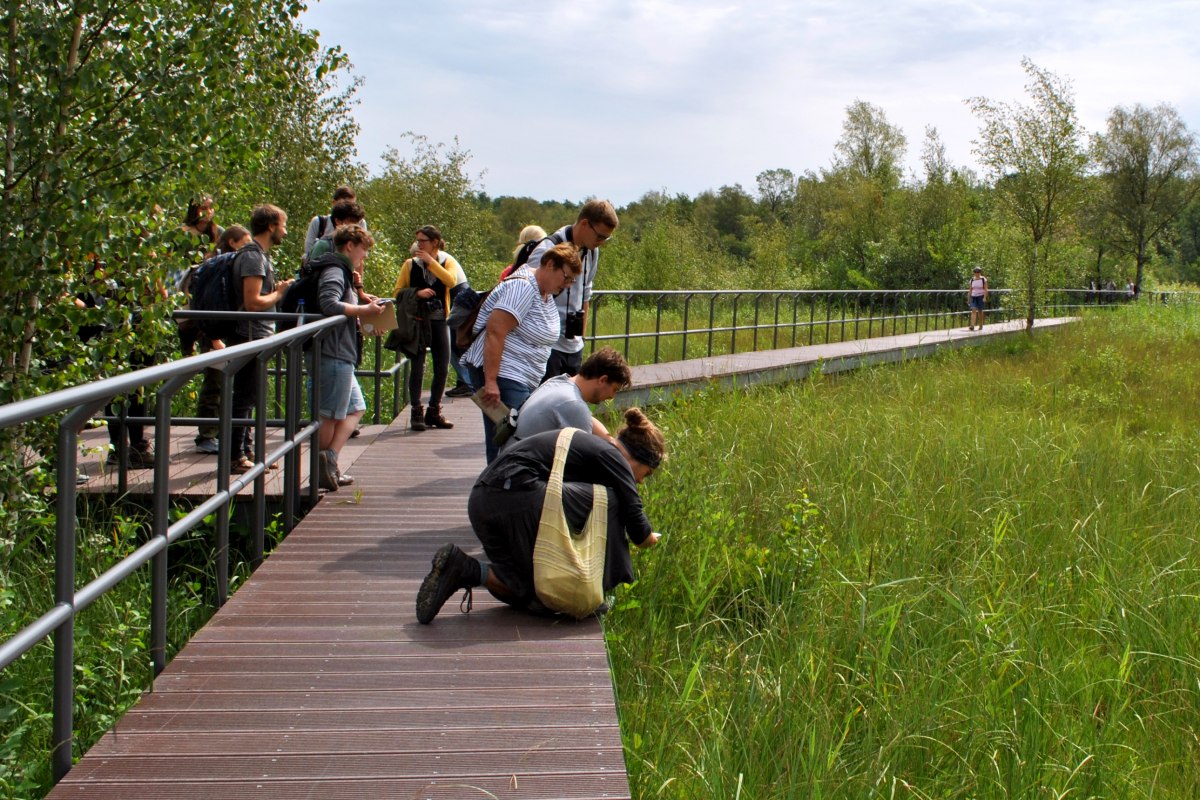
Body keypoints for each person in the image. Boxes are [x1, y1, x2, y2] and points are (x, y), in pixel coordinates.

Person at [416, 407, 665, 624]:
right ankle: (599, 590)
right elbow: (636, 520)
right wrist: (650, 538)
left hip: (484, 501)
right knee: (614, 500)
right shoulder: (612, 455)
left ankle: (462, 567)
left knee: (529, 589)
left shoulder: (594, 449)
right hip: (512, 494)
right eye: (647, 473)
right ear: (635, 457)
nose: (641, 481)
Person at [462, 242, 582, 463]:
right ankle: (497, 491)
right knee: (510, 440)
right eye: (565, 278)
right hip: (504, 376)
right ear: (549, 264)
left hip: (519, 376)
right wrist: (490, 382)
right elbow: (495, 331)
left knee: (513, 438)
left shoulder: (542, 290)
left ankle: (502, 489)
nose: (566, 285)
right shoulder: (524, 287)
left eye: (571, 281)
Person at [309, 225, 386, 491]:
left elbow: (344, 309)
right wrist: (364, 309)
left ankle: (329, 460)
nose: (364, 256)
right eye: (363, 250)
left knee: (356, 408)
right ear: (350, 245)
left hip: (341, 350)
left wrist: (365, 319)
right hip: (332, 351)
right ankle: (322, 468)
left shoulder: (343, 271)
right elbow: (329, 304)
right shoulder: (334, 270)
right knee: (329, 415)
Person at [228, 204, 294, 473]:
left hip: (256, 334)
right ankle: (237, 456)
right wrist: (279, 293)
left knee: (251, 396)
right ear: (271, 226)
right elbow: (252, 302)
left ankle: (247, 451)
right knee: (244, 397)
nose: (285, 231)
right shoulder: (253, 257)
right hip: (250, 335)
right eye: (283, 225)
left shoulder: (257, 255)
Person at [525, 200, 618, 381]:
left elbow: (586, 294)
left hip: (573, 347)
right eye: (600, 237)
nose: (601, 243)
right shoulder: (547, 250)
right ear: (584, 224)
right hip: (546, 347)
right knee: (544, 405)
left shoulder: (591, 251)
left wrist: (581, 339)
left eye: (606, 239)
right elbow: (527, 295)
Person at [189, 225, 251, 454]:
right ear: (233, 243)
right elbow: (209, 301)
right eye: (245, 242)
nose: (250, 246)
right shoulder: (218, 265)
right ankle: (206, 436)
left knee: (231, 387)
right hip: (216, 331)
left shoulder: (231, 263)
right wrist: (213, 337)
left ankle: (226, 435)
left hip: (229, 330)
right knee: (214, 383)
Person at [394, 225, 462, 431]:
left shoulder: (446, 261)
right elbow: (397, 291)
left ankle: (434, 410)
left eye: (423, 241)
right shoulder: (409, 264)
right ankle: (416, 411)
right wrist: (417, 293)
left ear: (434, 242)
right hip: (418, 320)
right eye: (418, 240)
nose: (418, 244)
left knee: (442, 367)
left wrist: (431, 262)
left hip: (440, 320)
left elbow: (451, 281)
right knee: (417, 366)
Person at [509, 346, 631, 443]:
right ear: (603, 380)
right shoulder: (574, 404)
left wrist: (611, 441)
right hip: (522, 471)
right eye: (614, 389)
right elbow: (585, 457)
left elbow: (587, 419)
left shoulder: (560, 382)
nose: (612, 396)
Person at [304, 186, 367, 259]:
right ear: (334, 203)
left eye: (352, 204)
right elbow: (308, 252)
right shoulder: (320, 222)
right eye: (345, 204)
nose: (349, 208)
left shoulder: (360, 223)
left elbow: (361, 254)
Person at [967, 266, 988, 331]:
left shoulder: (983, 279)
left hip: (980, 296)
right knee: (973, 310)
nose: (977, 273)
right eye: (975, 272)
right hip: (973, 296)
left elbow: (986, 289)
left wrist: (984, 297)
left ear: (980, 272)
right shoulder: (972, 280)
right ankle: (972, 325)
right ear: (974, 273)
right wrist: (968, 299)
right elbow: (970, 290)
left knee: (980, 311)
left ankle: (980, 325)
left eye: (978, 272)